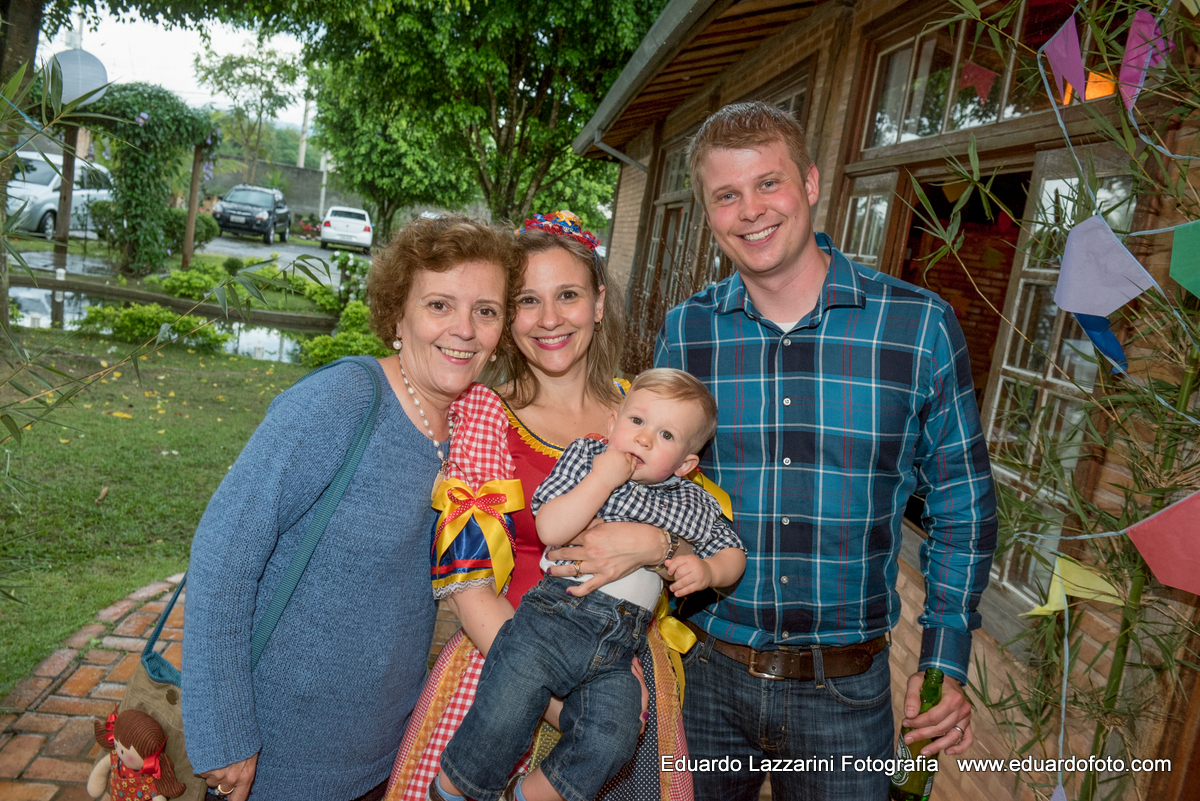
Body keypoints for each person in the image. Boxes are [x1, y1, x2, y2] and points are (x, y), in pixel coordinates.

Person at [651, 101, 999, 800]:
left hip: (847, 697)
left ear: (810, 183)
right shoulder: (689, 330)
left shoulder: (918, 325)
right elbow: (654, 482)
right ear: (710, 212)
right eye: (727, 194)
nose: (750, 210)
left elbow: (964, 505)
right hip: (704, 679)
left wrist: (946, 659)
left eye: (768, 183)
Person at [182, 215, 519, 801]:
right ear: (397, 314)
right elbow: (222, 557)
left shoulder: (469, 428)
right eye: (440, 305)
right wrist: (224, 731)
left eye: (485, 311)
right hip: (277, 756)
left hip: (386, 751)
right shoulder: (341, 401)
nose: (464, 329)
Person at [386, 212, 696, 801]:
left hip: (623, 671)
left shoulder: (646, 409)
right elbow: (466, 582)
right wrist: (555, 696)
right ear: (506, 317)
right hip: (503, 665)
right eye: (528, 300)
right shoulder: (485, 416)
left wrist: (657, 544)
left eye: (569, 295)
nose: (550, 319)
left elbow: (691, 529)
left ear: (599, 304)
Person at [433, 369, 746, 801]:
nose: (644, 439)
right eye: (637, 422)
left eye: (666, 435)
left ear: (686, 464)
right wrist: (603, 478)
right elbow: (549, 527)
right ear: (615, 421)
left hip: (620, 647)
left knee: (616, 732)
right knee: (510, 695)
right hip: (554, 621)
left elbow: (734, 554)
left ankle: (528, 795)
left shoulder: (693, 502)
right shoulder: (587, 458)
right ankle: (458, 786)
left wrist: (709, 572)